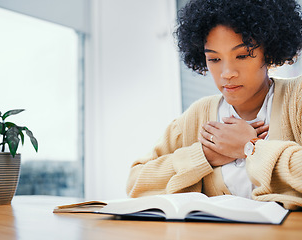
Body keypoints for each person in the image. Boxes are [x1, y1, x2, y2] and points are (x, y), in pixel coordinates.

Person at [126, 0, 302, 210]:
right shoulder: (198, 115)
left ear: (270, 51)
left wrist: (250, 148)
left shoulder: (297, 99)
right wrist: (205, 156)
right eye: (214, 59)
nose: (227, 73)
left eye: (243, 55)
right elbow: (135, 183)